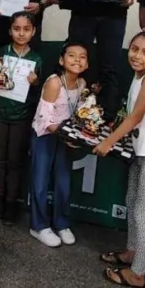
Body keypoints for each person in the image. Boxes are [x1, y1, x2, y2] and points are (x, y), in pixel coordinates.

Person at [94, 32, 145, 288]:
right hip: (141, 151)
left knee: (143, 211)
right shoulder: (138, 75)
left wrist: (109, 142)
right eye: (134, 49)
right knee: (131, 202)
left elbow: (136, 117)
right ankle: (131, 252)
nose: (137, 56)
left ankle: (138, 273)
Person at [0, 12, 44, 225]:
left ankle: (11, 203)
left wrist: (36, 82)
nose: (21, 33)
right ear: (10, 31)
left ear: (33, 31)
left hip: (21, 116)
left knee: (15, 161)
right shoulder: (0, 53)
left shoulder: (37, 59)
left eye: (26, 29)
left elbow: (40, 96)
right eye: (16, 29)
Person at [28, 42, 89, 248]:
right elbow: (45, 119)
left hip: (64, 136)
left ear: (87, 63)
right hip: (45, 135)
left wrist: (78, 135)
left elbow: (80, 115)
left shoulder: (81, 84)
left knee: (63, 183)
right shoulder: (54, 83)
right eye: (72, 56)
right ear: (62, 60)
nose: (77, 60)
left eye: (82, 57)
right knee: (40, 182)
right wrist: (68, 136)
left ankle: (61, 223)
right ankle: (38, 226)